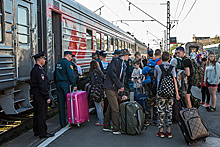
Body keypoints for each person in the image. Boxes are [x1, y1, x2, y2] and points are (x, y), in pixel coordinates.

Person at [103, 49, 130, 135]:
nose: (129, 57)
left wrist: (122, 92)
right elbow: (112, 74)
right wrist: (120, 86)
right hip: (110, 87)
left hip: (114, 88)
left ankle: (106, 126)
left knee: (111, 107)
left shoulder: (123, 64)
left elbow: (121, 79)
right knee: (115, 108)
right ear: (124, 55)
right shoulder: (116, 60)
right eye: (128, 55)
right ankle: (116, 128)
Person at [154, 51, 180, 138]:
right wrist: (177, 93)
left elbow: (156, 77)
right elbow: (174, 80)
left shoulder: (157, 67)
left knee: (160, 111)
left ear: (161, 58)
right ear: (169, 58)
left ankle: (161, 131)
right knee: (169, 111)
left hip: (160, 93)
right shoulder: (172, 68)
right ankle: (169, 132)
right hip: (170, 93)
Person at [30, 51, 54, 138]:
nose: (45, 61)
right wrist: (47, 97)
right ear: (40, 60)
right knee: (42, 115)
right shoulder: (40, 71)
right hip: (41, 96)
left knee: (37, 113)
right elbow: (43, 85)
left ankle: (36, 130)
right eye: (44, 59)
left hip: (36, 95)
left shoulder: (34, 70)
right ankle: (43, 132)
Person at [54, 51, 77, 127]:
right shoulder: (68, 64)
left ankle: (62, 123)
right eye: (71, 56)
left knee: (60, 104)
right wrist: (74, 84)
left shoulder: (58, 63)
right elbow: (71, 75)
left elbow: (55, 75)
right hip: (65, 85)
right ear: (68, 56)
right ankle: (70, 121)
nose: (71, 58)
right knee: (69, 103)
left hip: (58, 84)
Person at [90, 60, 105, 126]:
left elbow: (93, 82)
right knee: (100, 105)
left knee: (98, 106)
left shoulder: (93, 72)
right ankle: (102, 119)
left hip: (96, 90)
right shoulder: (100, 72)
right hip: (101, 89)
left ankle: (101, 121)